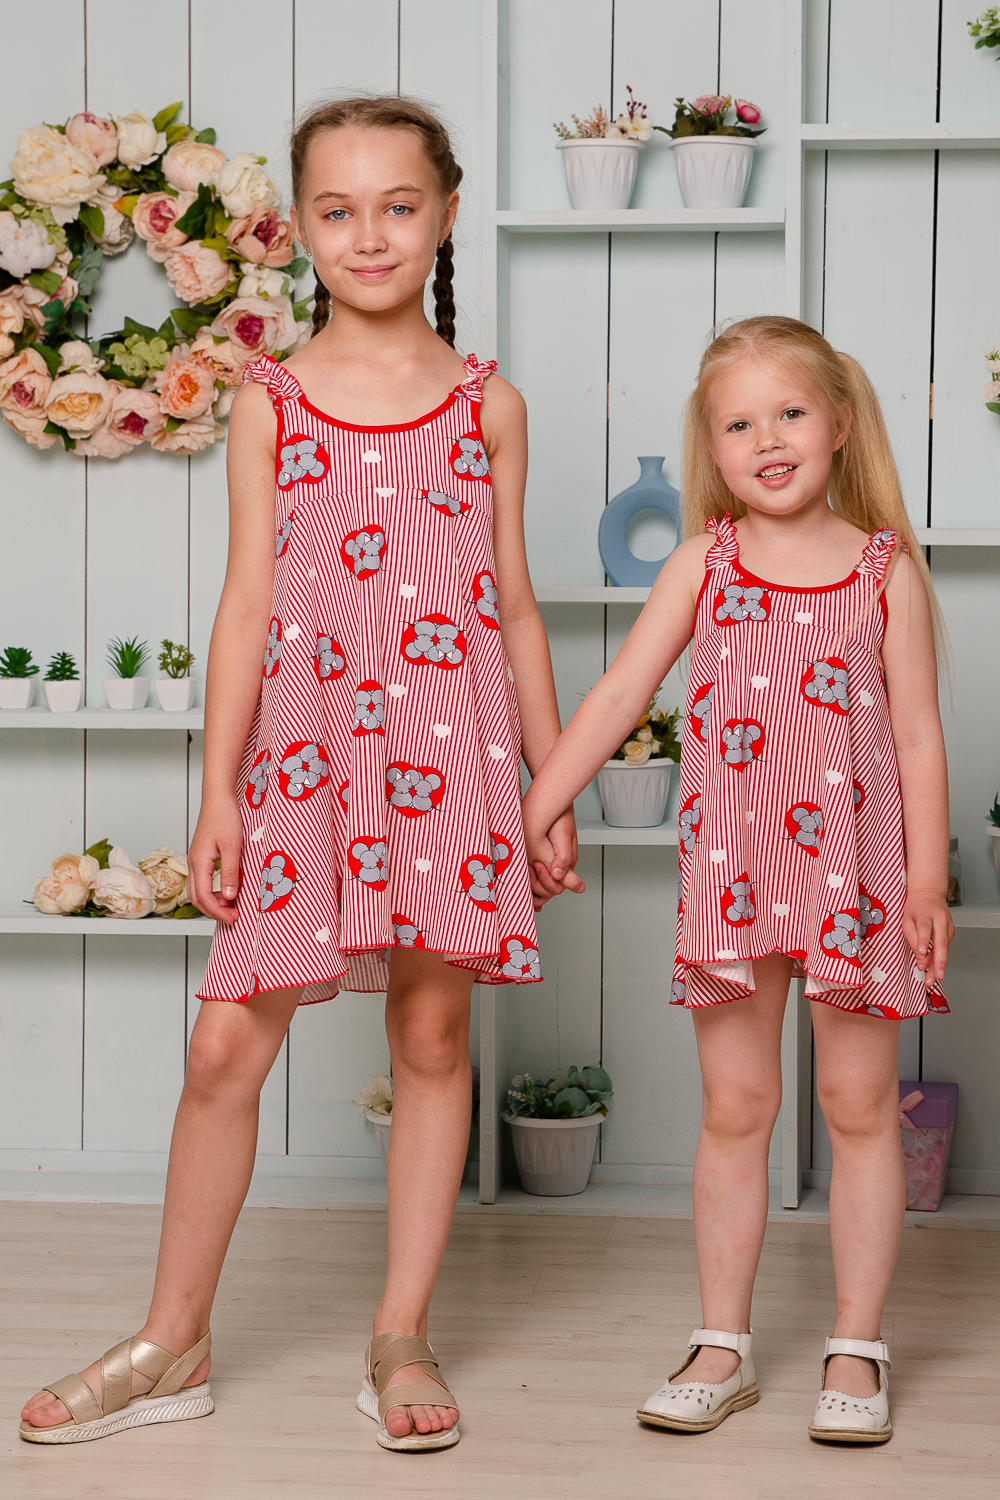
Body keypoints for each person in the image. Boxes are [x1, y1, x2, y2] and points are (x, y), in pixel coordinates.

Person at [20, 93, 582, 1454]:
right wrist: (219, 787)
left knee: (432, 1039)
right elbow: (246, 603)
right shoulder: (270, 400)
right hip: (308, 759)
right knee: (226, 1045)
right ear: (303, 228)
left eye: (398, 206)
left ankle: (401, 1332)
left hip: (454, 760)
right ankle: (171, 1341)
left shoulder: (488, 406)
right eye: (338, 209)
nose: (368, 235)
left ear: (444, 216)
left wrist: (550, 784)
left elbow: (513, 608)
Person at [522, 315, 952, 1444]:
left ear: (839, 424)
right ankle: (723, 1344)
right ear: (710, 448)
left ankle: (856, 1346)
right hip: (736, 876)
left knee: (858, 1107)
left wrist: (925, 883)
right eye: (739, 423)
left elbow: (918, 736)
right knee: (736, 1109)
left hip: (858, 882)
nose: (768, 439)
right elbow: (621, 694)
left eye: (790, 413)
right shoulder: (702, 564)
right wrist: (537, 807)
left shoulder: (884, 572)